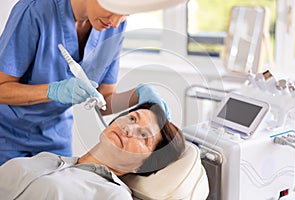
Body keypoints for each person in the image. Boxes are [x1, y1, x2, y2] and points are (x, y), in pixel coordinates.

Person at [0, 0, 174, 165]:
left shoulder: (115, 27)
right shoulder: (34, 10)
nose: (115, 22)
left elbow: (103, 100)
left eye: (125, 14)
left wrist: (137, 95)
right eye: (113, 9)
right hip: (6, 133)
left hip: (54, 135)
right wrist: (53, 91)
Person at [0, 103, 186, 199]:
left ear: (142, 166)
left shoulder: (113, 195)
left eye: (144, 135)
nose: (130, 129)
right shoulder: (48, 159)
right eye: (132, 119)